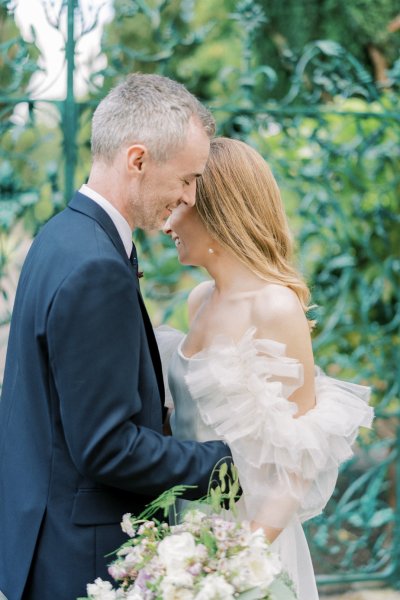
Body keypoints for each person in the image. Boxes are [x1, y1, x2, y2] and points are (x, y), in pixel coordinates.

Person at [0, 75, 234, 600]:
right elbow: (107, 446)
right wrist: (220, 462)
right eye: (187, 178)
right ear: (137, 160)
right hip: (79, 558)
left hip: (41, 535)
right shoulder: (95, 267)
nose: (188, 197)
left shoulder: (59, 236)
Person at [160, 137, 373, 600]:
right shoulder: (200, 300)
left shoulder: (275, 307)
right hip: (184, 533)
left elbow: (295, 469)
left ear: (216, 210)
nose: (166, 222)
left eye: (180, 205)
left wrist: (230, 569)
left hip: (249, 548)